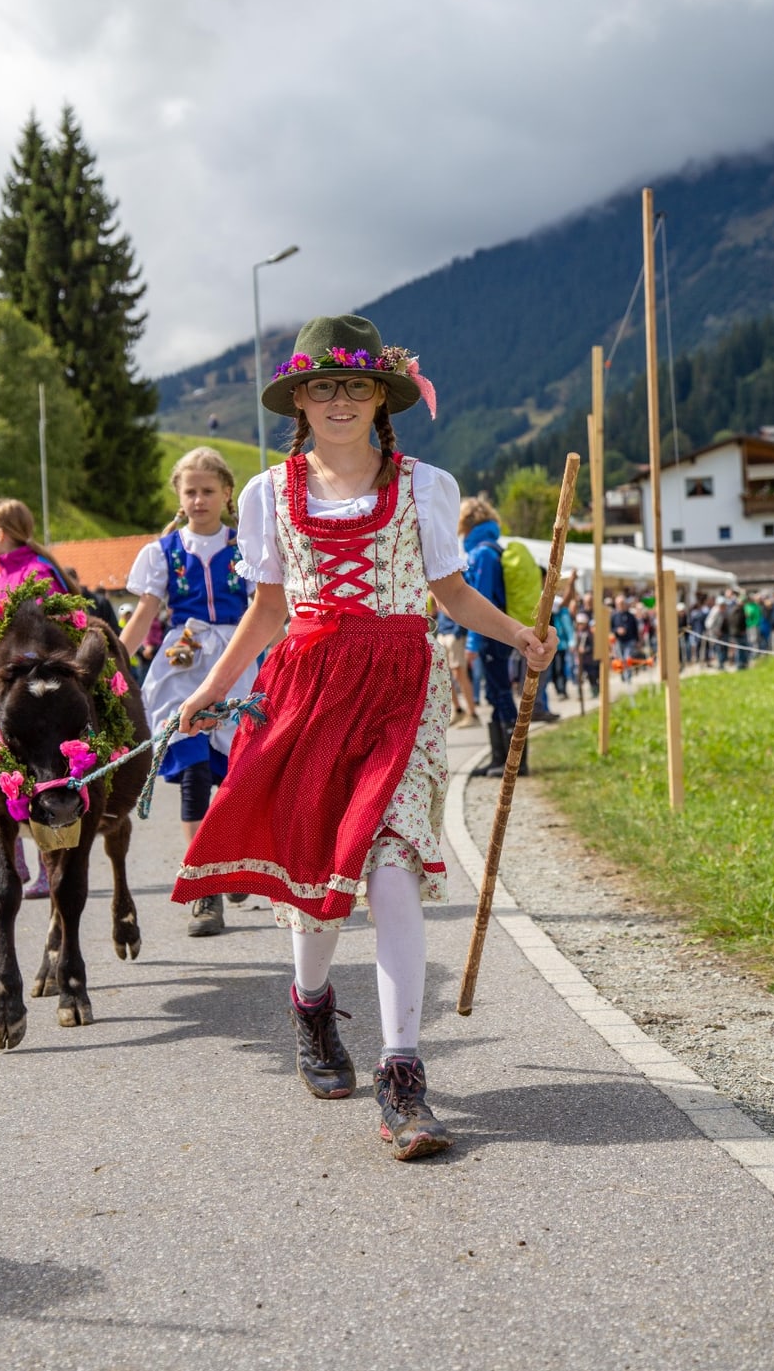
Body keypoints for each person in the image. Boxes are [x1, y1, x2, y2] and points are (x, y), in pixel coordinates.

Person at [170, 314, 556, 1161]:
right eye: (321, 386)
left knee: (390, 868)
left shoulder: (426, 485)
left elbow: (449, 591)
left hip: (398, 688)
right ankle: (310, 1006)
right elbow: (267, 610)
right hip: (305, 688)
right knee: (316, 877)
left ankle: (402, 1075)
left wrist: (517, 634)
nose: (338, 400)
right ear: (299, 402)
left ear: (380, 396)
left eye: (353, 385)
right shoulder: (267, 495)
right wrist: (210, 689)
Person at [122, 447, 256, 937]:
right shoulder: (162, 553)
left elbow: (267, 612)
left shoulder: (246, 547)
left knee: (237, 773)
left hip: (238, 659)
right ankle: (205, 888)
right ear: (179, 497)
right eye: (190, 491)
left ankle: (233, 858)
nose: (199, 499)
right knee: (197, 771)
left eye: (207, 490)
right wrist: (107, 664)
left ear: (226, 493)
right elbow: (143, 616)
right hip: (183, 664)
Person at [0, 497, 76, 894]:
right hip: (1, 694)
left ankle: (46, 864)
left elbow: (48, 636)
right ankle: (11, 863)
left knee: (39, 772)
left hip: (34, 698)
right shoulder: (0, 576)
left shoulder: (37, 573)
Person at [461, 494, 539, 776]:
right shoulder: (493, 547)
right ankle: (501, 760)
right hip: (498, 634)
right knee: (497, 692)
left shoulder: (481, 553)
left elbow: (479, 600)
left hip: (492, 634)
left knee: (500, 693)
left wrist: (472, 643)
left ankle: (513, 762)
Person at [434, 604, 478, 728]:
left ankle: (472, 714)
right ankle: (458, 710)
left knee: (459, 674)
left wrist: (457, 632)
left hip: (454, 633)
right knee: (443, 675)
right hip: (442, 631)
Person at [610, 593, 639, 681]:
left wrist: (637, 640)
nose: (621, 605)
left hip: (629, 641)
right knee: (620, 659)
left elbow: (635, 628)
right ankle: (623, 674)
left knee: (627, 658)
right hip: (619, 641)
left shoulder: (630, 616)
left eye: (622, 603)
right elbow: (611, 629)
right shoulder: (614, 616)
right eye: (619, 603)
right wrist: (617, 631)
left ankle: (628, 676)